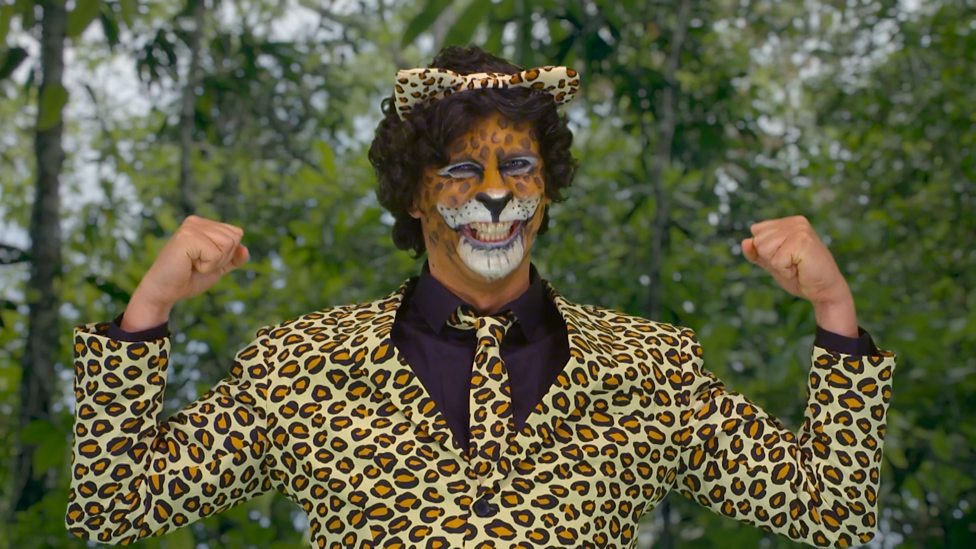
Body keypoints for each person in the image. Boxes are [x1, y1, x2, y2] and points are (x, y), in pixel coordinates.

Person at [65, 46, 895, 548]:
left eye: (519, 167)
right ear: (416, 193)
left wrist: (834, 314)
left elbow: (832, 508)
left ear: (550, 187)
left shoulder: (650, 369)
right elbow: (111, 504)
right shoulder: (301, 367)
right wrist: (148, 314)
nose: (494, 192)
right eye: (463, 167)